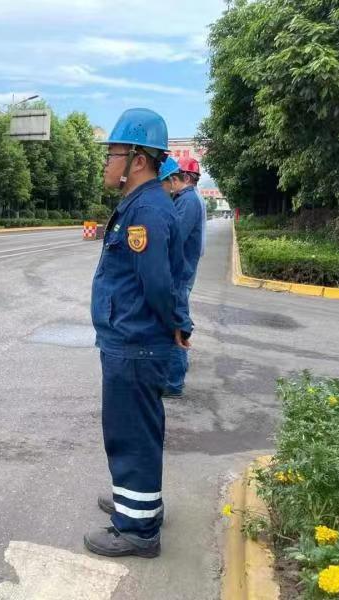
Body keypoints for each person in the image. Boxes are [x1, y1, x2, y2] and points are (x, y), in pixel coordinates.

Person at [86, 108, 192, 558]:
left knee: (131, 435)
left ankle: (138, 529)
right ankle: (137, 503)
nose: (106, 163)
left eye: (112, 154)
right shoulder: (140, 203)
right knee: (132, 431)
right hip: (130, 339)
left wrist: (175, 325)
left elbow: (158, 285)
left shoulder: (146, 210)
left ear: (138, 160)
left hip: (135, 343)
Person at [164, 157, 205, 397]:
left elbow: (175, 236)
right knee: (175, 321)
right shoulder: (186, 199)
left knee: (175, 324)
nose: (170, 184)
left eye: (172, 179)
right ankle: (173, 377)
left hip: (179, 274)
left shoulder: (188, 201)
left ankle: (173, 383)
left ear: (186, 178)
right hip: (182, 272)